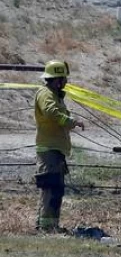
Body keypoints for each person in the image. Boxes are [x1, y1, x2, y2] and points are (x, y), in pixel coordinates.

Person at [32, 60, 84, 233]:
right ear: (58, 79)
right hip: (49, 150)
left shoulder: (54, 95)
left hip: (56, 150)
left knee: (55, 189)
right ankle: (46, 228)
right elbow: (51, 112)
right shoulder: (46, 94)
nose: (66, 82)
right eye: (64, 78)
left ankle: (50, 225)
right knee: (51, 188)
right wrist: (70, 121)